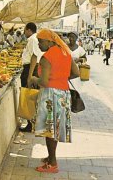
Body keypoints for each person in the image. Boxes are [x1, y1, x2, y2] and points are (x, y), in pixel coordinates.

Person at [29, 28, 79, 173]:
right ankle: (51, 157)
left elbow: (43, 82)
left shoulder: (47, 57)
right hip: (63, 94)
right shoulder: (65, 52)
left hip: (50, 95)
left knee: (49, 130)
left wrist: (33, 78)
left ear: (49, 41)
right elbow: (76, 73)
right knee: (55, 129)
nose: (38, 44)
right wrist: (61, 78)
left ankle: (52, 163)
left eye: (41, 41)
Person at [19, 22, 43, 132]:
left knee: (29, 95)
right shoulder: (33, 39)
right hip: (31, 68)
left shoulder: (33, 39)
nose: (24, 32)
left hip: (30, 69)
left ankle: (31, 123)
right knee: (30, 95)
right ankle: (32, 122)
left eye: (25, 30)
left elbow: (34, 56)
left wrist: (30, 76)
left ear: (29, 30)